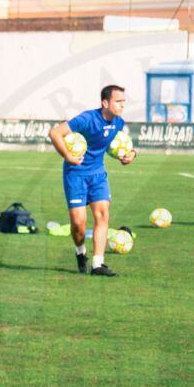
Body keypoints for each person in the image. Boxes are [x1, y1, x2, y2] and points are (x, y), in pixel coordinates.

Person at [49, 85, 137, 276]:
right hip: (76, 174)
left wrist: (130, 155)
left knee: (102, 214)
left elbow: (116, 147)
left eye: (124, 102)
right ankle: (81, 252)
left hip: (98, 175)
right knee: (79, 224)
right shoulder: (87, 119)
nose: (122, 105)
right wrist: (68, 156)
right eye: (118, 101)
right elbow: (55, 133)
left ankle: (98, 264)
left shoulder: (118, 123)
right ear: (105, 103)